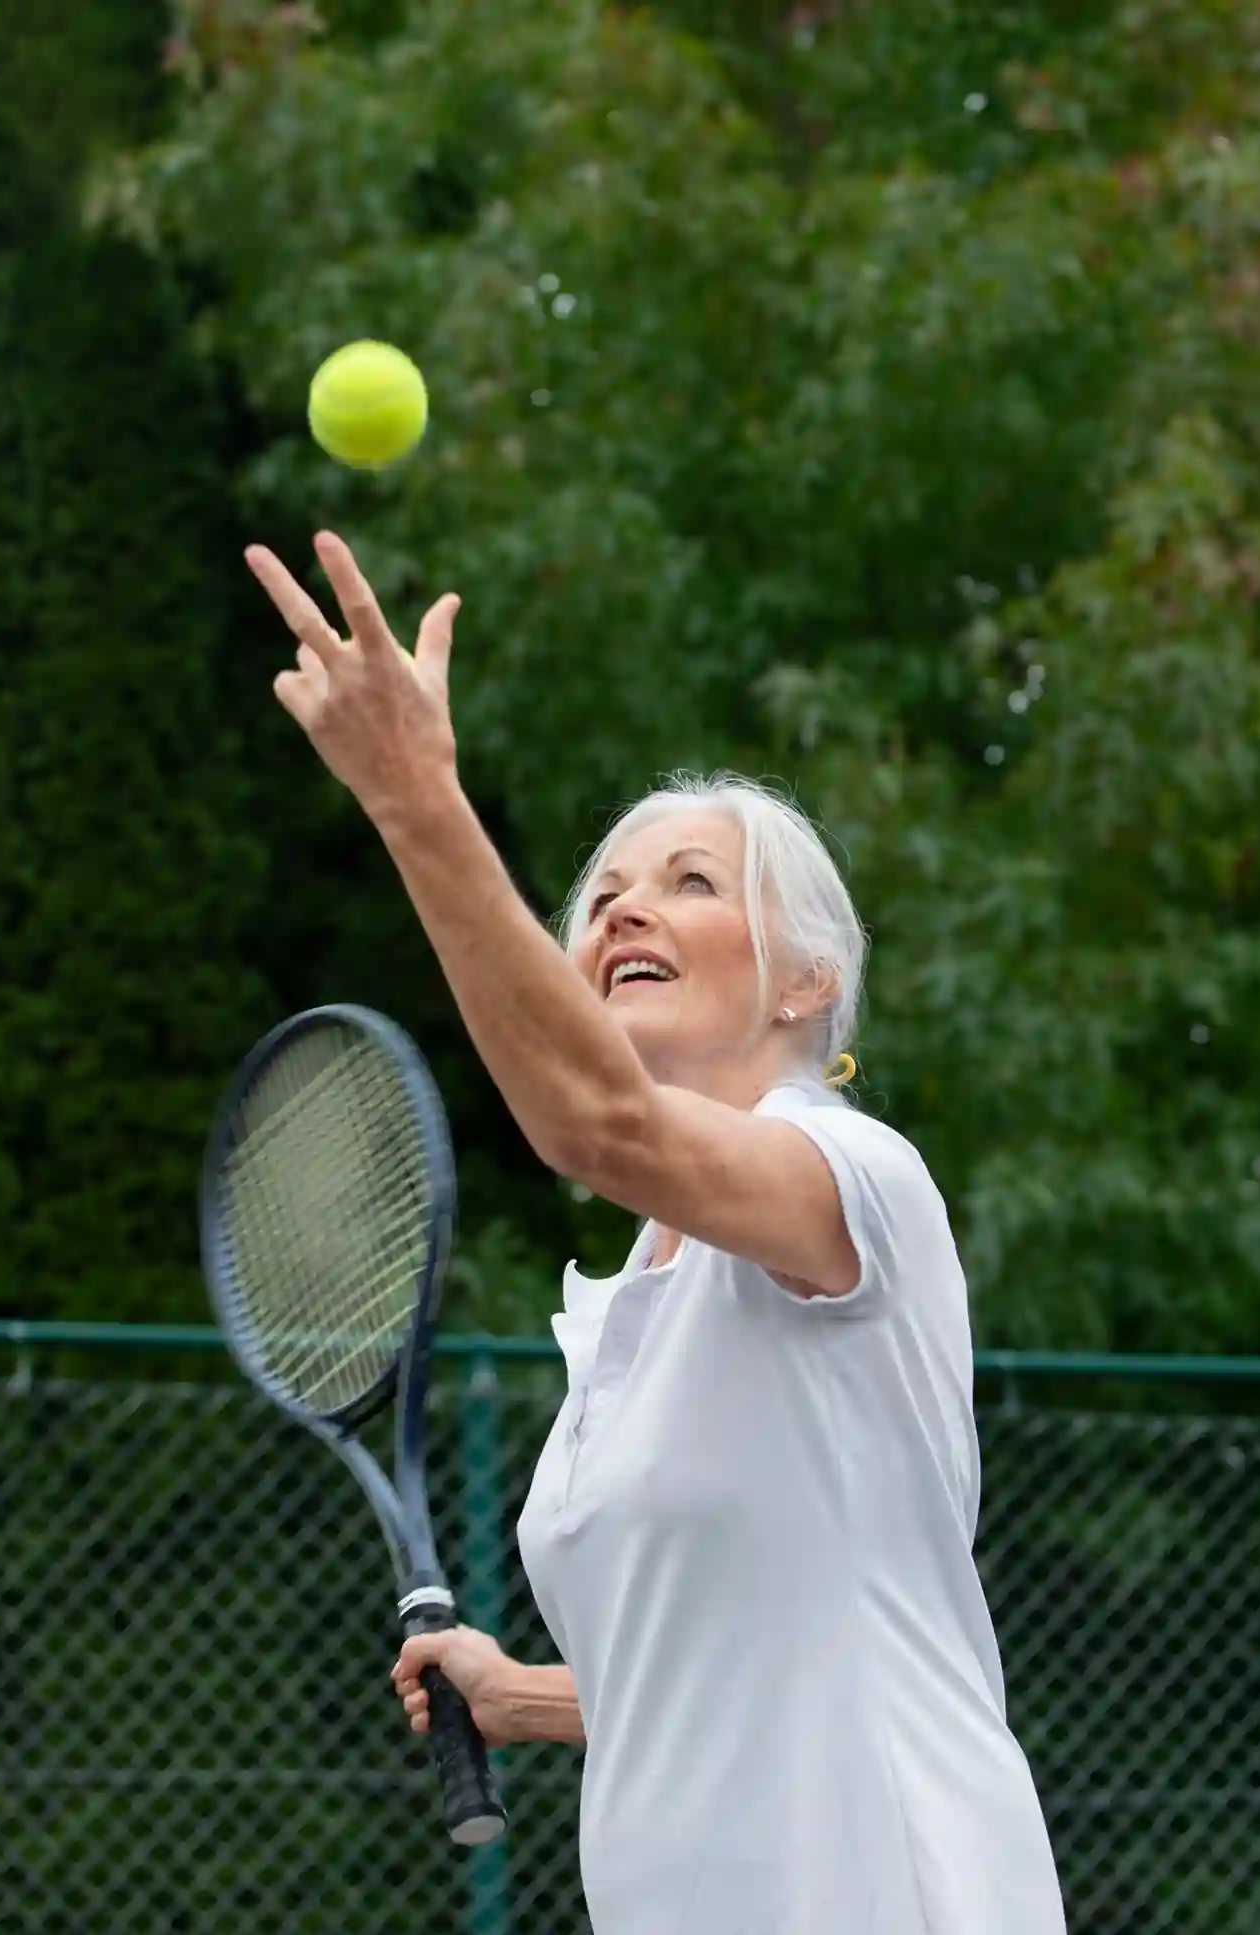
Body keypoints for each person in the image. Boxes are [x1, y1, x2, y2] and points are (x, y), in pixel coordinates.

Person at [245, 531, 1066, 1935]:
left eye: (692, 881)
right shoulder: (631, 1302)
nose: (624, 901)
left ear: (809, 979)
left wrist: (411, 795)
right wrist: (532, 1695)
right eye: (605, 892)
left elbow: (595, 1125)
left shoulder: (848, 1175)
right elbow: (743, 1640)